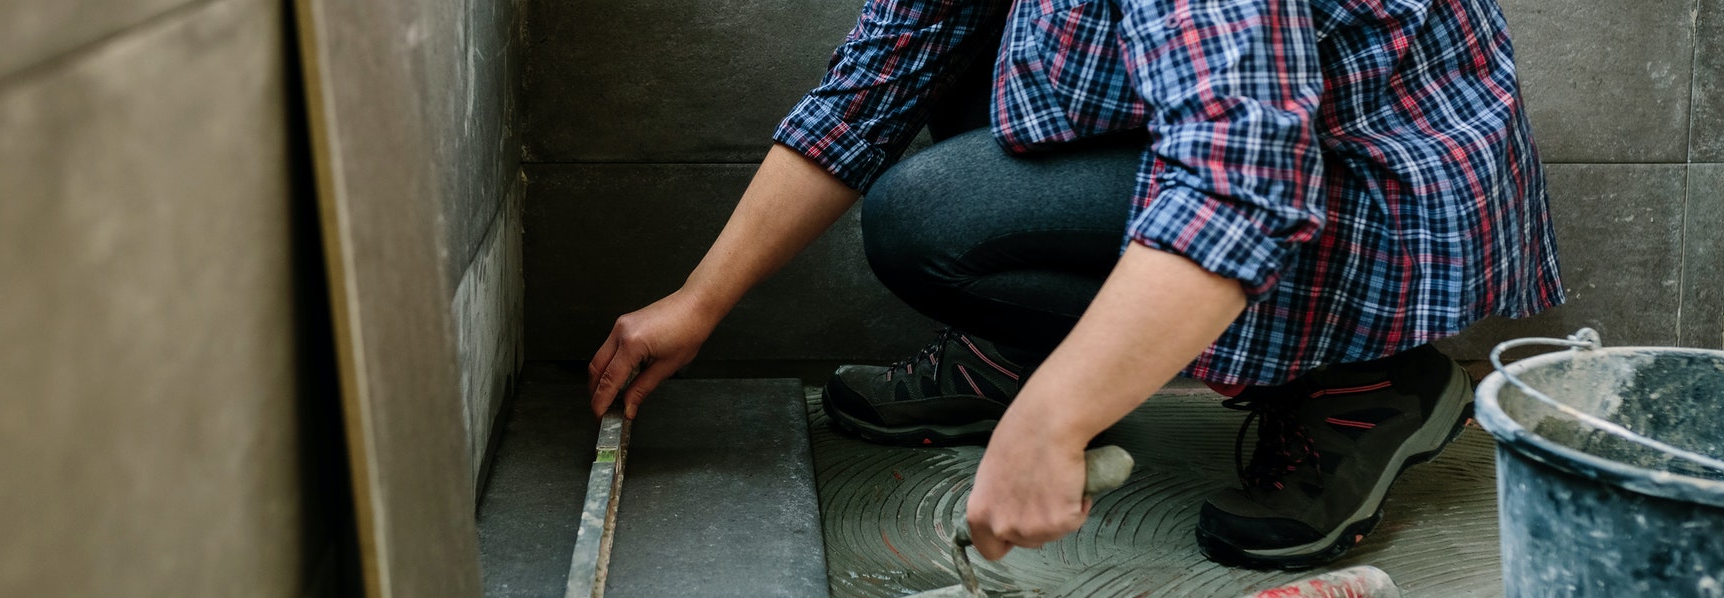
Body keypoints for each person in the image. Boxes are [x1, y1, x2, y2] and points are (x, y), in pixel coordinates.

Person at [586, 0, 1560, 569]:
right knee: (962, 58)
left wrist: (1048, 426)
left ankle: (1363, 380)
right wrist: (700, 299)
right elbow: (883, 72)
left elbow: (1242, 177)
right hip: (1238, 145)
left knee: (926, 218)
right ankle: (1041, 347)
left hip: (1361, 199)